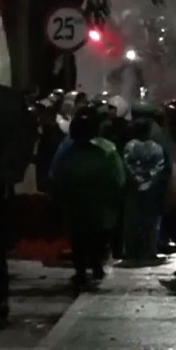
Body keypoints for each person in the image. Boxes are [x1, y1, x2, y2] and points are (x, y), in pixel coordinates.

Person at [50, 110, 126, 288]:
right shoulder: (106, 149)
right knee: (95, 237)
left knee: (80, 238)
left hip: (79, 203)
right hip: (96, 204)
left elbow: (55, 175)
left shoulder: (66, 150)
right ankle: (93, 267)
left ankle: (83, 270)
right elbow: (118, 177)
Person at [121, 115, 170, 264]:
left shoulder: (130, 146)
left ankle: (131, 250)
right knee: (150, 222)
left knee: (132, 221)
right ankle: (148, 250)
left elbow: (127, 165)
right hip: (152, 190)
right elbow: (159, 167)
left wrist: (136, 180)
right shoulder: (156, 147)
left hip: (133, 189)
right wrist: (150, 181)